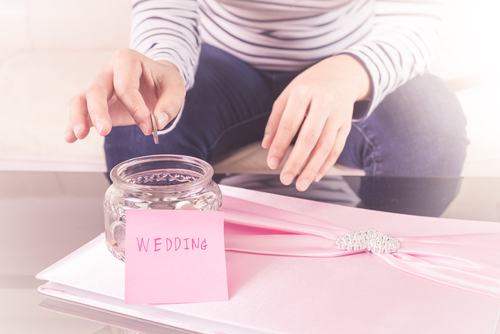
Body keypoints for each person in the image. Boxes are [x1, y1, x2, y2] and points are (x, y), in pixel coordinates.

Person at [65, 0, 468, 217]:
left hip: (350, 57)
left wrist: (349, 73)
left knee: (430, 133)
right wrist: (163, 65)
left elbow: (415, 18)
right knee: (141, 125)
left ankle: (376, 267)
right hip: (221, 59)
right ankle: (182, 271)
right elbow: (168, 7)